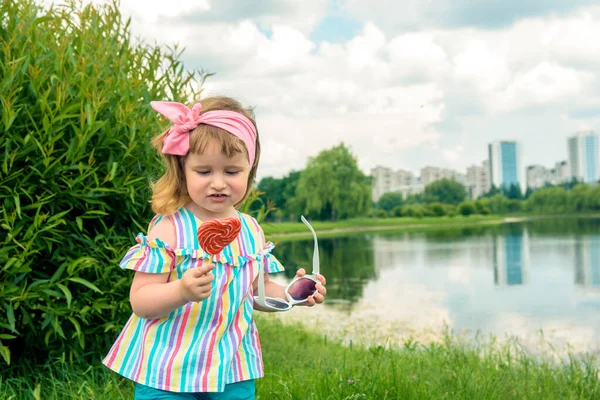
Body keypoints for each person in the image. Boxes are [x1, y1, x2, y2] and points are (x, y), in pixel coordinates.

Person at [103, 96, 327, 399]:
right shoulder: (169, 228)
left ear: (250, 170)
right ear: (183, 170)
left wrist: (292, 294)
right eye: (204, 171)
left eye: (232, 172)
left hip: (231, 365)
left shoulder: (251, 231)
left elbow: (256, 295)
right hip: (167, 366)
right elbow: (141, 302)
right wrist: (180, 291)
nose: (219, 183)